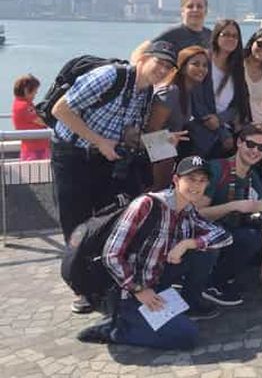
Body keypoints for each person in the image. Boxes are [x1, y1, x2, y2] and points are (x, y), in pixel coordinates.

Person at [51, 41, 182, 314]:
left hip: (103, 159)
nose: (163, 69)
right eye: (159, 62)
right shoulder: (110, 75)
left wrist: (162, 139)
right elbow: (61, 110)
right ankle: (81, 288)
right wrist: (99, 141)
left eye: (168, 67)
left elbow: (128, 135)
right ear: (144, 59)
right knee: (75, 223)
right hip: (72, 155)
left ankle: (99, 280)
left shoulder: (145, 94)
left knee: (104, 220)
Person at [77, 156, 233, 348]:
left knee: (206, 250)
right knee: (187, 335)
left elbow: (224, 236)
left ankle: (186, 303)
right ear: (176, 180)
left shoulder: (188, 210)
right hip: (127, 289)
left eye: (202, 181)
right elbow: (111, 255)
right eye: (191, 179)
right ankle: (115, 329)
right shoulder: (147, 205)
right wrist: (139, 289)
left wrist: (187, 243)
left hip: (157, 280)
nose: (196, 186)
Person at [196, 124, 262, 306]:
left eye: (261, 148)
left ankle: (224, 276)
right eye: (250, 144)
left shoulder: (252, 177)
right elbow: (197, 214)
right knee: (249, 238)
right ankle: (211, 284)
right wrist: (233, 206)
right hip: (205, 236)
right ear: (239, 143)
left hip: (231, 232)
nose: (255, 151)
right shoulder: (217, 169)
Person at [147, 46, 210, 188]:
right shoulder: (171, 91)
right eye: (195, 64)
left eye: (205, 65)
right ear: (182, 67)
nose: (202, 69)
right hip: (157, 155)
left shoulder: (187, 92)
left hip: (169, 152)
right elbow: (152, 129)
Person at [189, 19, 252, 160]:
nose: (230, 39)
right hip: (200, 130)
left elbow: (237, 104)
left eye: (235, 36)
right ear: (216, 36)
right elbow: (196, 102)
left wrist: (220, 120)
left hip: (224, 128)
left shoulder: (237, 68)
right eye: (226, 34)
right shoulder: (203, 61)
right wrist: (221, 132)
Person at [11, 73, 50, 160]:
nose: (35, 95)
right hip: (36, 149)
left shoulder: (18, 103)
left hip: (31, 146)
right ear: (26, 90)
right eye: (34, 92)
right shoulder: (25, 106)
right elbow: (41, 121)